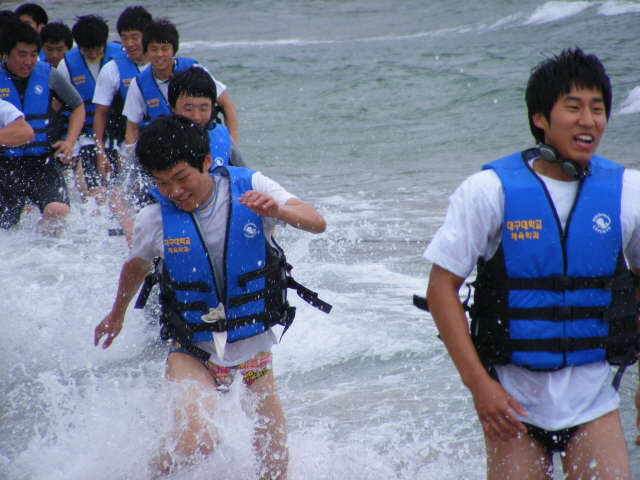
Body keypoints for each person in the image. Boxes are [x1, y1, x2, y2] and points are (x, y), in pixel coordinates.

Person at [423, 47, 640, 479]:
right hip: (512, 405)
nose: (588, 120)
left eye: (597, 108)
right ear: (540, 117)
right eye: (573, 107)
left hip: (594, 402)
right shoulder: (489, 191)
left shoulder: (628, 192)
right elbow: (440, 289)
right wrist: (479, 387)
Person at [94, 114, 330, 477]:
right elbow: (136, 266)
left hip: (252, 350)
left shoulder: (251, 187)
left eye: (182, 178)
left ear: (206, 161)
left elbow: (316, 221)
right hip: (194, 349)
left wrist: (278, 211)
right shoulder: (154, 218)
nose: (175, 191)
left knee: (274, 466)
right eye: (162, 182)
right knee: (197, 441)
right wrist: (117, 314)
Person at [110, 64, 247, 246]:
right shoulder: (152, 139)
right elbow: (117, 193)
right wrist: (130, 229)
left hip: (213, 224)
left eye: (204, 109)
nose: (196, 117)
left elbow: (246, 183)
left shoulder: (223, 138)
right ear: (173, 107)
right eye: (188, 108)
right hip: (165, 225)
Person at [0, 21, 84, 233]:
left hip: (42, 161)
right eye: (22, 55)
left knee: (58, 211)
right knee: (6, 227)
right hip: (5, 165)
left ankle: (43, 247)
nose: (28, 61)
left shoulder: (49, 75)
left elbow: (77, 106)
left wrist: (69, 142)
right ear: (6, 54)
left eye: (33, 54)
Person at [122, 18, 238, 151]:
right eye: (154, 49)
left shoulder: (195, 70)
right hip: (164, 151)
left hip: (203, 143)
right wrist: (131, 158)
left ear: (174, 49)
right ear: (146, 51)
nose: (159, 55)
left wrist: (233, 146)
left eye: (165, 49)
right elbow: (132, 129)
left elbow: (227, 105)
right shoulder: (139, 84)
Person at [57, 15, 122, 201]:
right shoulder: (66, 65)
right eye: (87, 50)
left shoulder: (120, 57)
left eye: (97, 49)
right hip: (86, 137)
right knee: (94, 195)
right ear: (78, 45)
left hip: (118, 135)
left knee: (119, 191)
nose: (93, 54)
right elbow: (58, 106)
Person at [92, 6, 153, 183]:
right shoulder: (111, 70)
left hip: (161, 140)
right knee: (126, 191)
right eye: (124, 38)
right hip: (127, 145)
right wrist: (100, 153)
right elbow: (100, 114)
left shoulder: (162, 64)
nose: (129, 44)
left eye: (134, 37)